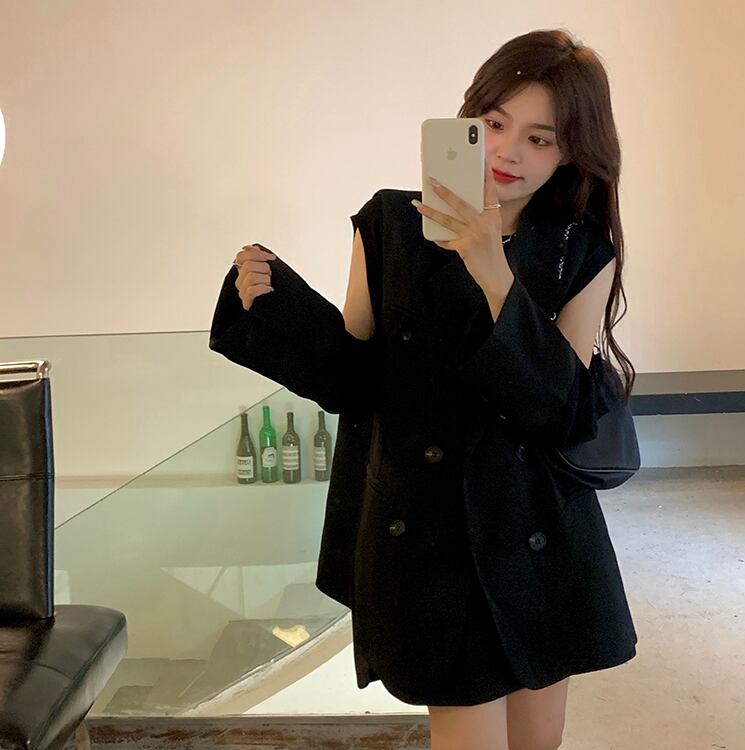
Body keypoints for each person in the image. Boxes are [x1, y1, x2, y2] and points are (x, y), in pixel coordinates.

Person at [210, 28, 638, 750]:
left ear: (570, 152)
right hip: (426, 535)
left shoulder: (579, 248)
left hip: (532, 530)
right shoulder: (389, 224)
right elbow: (354, 377)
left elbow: (560, 410)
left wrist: (493, 273)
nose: (508, 151)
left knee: (538, 742)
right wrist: (278, 308)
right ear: (467, 119)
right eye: (494, 123)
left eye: (539, 139)